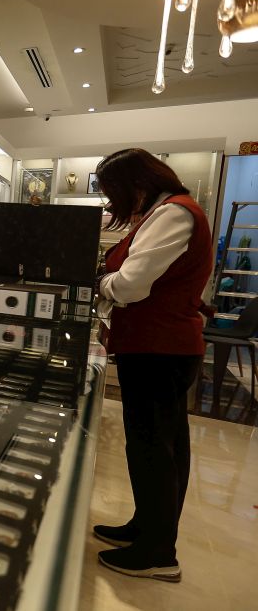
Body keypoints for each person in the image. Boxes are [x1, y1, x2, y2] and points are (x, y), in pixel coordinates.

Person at [92, 148, 213, 583]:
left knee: (154, 449)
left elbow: (130, 286)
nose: (112, 204)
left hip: (161, 349)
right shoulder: (165, 212)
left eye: (113, 193)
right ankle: (147, 527)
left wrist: (99, 282)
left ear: (136, 185)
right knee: (158, 447)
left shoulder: (173, 215)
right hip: (160, 348)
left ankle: (159, 553)